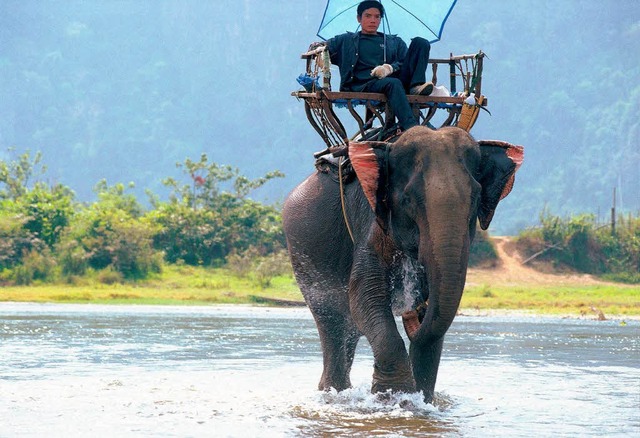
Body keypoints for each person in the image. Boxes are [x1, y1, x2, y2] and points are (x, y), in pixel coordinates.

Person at [314, 0, 434, 132]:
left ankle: (416, 86)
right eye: (368, 16)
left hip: (394, 80)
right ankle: (412, 128)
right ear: (359, 18)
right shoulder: (346, 40)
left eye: (377, 17)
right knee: (393, 83)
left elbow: (405, 62)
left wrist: (390, 68)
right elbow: (319, 46)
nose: (373, 20)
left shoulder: (393, 42)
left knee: (420, 42)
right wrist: (320, 52)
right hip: (364, 84)